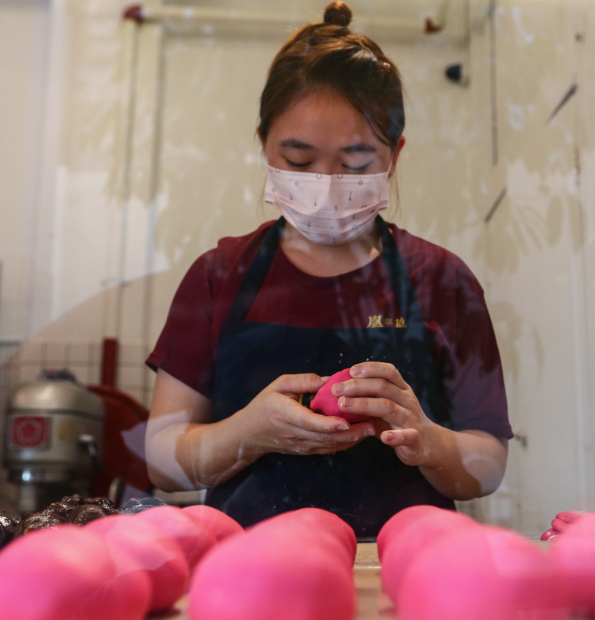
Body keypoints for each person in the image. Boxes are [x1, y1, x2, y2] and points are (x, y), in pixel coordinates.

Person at [145, 1, 511, 539]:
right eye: (298, 161)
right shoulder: (218, 276)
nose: (325, 185)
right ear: (264, 144)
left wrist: (426, 440)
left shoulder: (442, 280)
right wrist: (249, 433)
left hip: (398, 568)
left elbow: (488, 463)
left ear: (394, 156)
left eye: (355, 164)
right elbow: (162, 461)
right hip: (249, 565)